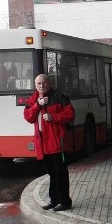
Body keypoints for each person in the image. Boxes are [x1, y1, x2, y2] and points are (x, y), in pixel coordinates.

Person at [23, 74, 75, 212]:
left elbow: (70, 115)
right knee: (52, 173)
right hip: (44, 145)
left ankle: (65, 202)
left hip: (58, 143)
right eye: (39, 84)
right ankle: (54, 200)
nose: (41, 86)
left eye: (44, 83)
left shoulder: (59, 96)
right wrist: (37, 106)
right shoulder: (33, 100)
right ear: (35, 85)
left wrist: (53, 117)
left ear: (48, 83)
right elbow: (28, 117)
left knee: (60, 173)